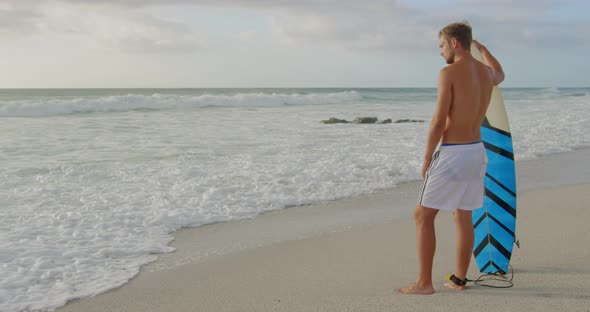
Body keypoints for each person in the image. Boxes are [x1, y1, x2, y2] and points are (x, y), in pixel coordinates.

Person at [399, 21, 505, 294]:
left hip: (453, 153)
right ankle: (459, 279)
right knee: (463, 215)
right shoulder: (485, 74)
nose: (441, 52)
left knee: (422, 215)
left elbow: (437, 121)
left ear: (455, 43)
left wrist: (426, 158)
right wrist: (482, 48)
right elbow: (500, 73)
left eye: (442, 45)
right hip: (476, 152)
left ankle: (424, 283)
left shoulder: (448, 73)